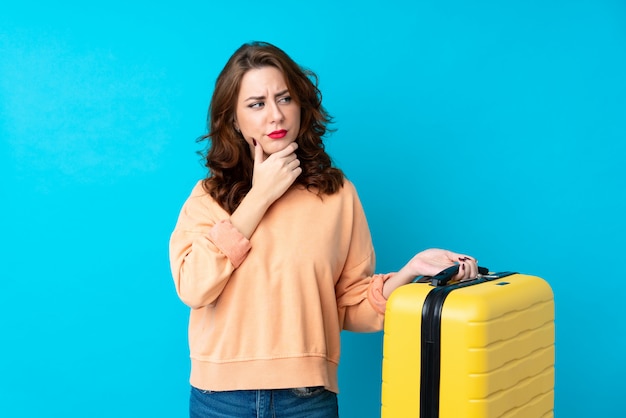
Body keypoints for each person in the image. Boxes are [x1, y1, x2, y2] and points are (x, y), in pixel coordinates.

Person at [169, 41, 479, 418]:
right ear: (234, 119)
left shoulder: (337, 194)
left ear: (301, 105)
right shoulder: (207, 197)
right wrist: (259, 197)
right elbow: (193, 287)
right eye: (256, 104)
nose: (275, 116)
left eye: (284, 98)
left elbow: (351, 305)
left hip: (307, 400)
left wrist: (412, 270)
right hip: (221, 399)